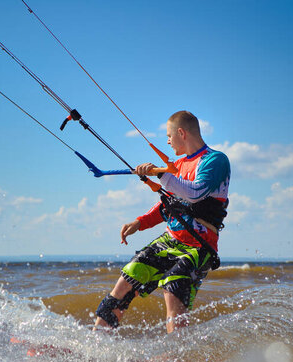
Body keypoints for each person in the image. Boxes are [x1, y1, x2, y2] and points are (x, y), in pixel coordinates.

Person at [93, 111, 231, 333]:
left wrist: (161, 175)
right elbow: (169, 204)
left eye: (168, 135)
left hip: (199, 245)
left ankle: (176, 356)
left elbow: (194, 193)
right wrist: (140, 222)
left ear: (181, 133)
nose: (167, 141)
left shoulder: (215, 160)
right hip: (171, 239)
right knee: (127, 278)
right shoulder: (177, 165)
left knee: (173, 289)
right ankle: (97, 341)